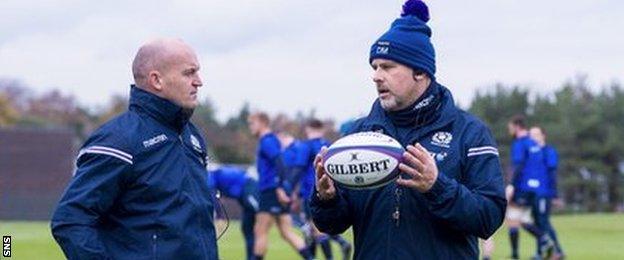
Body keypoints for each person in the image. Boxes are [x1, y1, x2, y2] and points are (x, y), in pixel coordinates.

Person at [310, 1, 506, 259]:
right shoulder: (357, 138)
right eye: (375, 66)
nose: (377, 76)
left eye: (388, 67)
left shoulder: (469, 133)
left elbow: (488, 218)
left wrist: (436, 186)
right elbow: (332, 224)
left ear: (420, 72)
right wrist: (327, 199)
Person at [50, 38, 218, 259]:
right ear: (156, 80)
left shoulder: (192, 137)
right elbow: (70, 220)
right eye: (189, 73)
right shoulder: (119, 140)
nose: (199, 81)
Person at [247, 112, 312, 260]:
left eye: (252, 123)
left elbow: (280, 162)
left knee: (260, 230)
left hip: (271, 191)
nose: (250, 127)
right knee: (286, 231)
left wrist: (279, 188)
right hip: (274, 190)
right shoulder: (271, 140)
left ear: (262, 122)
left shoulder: (267, 140)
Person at [301, 119, 352, 260]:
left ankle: (337, 249)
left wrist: (289, 189)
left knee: (315, 229)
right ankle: (341, 243)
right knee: (313, 230)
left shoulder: (306, 146)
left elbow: (297, 168)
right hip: (330, 189)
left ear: (308, 129)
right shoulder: (330, 146)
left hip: (310, 192)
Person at [507, 116, 554, 259]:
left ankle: (517, 253)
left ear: (516, 126)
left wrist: (511, 184)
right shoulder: (534, 144)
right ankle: (544, 240)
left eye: (510, 127)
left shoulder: (520, 144)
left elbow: (518, 165)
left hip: (522, 187)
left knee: (513, 218)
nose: (509, 130)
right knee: (524, 219)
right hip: (535, 189)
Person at [207, 165, 259, 260]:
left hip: (249, 188)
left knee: (259, 219)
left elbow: (213, 196)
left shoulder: (210, 174)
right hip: (243, 195)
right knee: (247, 228)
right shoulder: (215, 174)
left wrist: (220, 216)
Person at [530, 126, 564, 259]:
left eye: (535, 134)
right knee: (537, 223)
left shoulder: (549, 152)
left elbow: (552, 174)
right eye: (530, 135)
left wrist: (554, 194)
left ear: (543, 135)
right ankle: (541, 252)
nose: (532, 137)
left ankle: (557, 250)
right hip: (532, 194)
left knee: (544, 222)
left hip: (544, 193)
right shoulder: (531, 153)